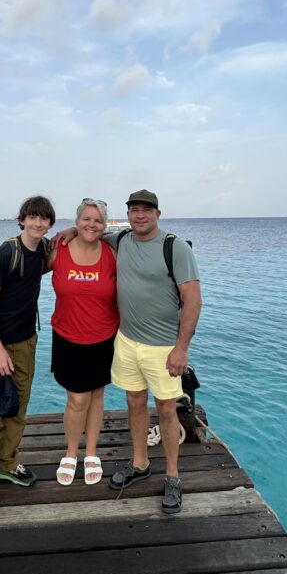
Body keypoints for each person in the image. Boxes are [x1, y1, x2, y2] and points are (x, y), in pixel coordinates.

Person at [105, 189, 201, 515]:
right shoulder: (121, 241)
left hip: (164, 347)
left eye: (147, 210)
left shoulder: (174, 248)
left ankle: (172, 475)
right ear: (128, 214)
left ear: (158, 214)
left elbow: (193, 300)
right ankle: (140, 462)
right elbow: (90, 232)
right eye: (134, 210)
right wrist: (68, 232)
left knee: (166, 410)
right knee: (134, 402)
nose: (140, 215)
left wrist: (181, 349)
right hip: (127, 341)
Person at [0, 195, 56, 521]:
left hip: (26, 341)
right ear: (22, 219)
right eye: (33, 217)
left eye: (44, 218)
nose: (38, 223)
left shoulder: (44, 250)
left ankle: (5, 463)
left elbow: (59, 253)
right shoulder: (3, 254)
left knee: (17, 408)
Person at [49, 198, 119, 486]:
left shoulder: (113, 251)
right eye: (86, 219)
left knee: (97, 394)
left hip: (105, 335)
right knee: (77, 398)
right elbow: (25, 269)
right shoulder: (58, 249)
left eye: (98, 220)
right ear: (76, 221)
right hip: (68, 335)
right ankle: (71, 452)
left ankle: (91, 452)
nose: (92, 224)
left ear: (105, 226)